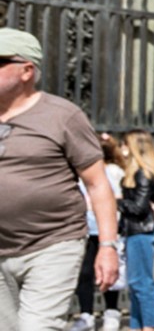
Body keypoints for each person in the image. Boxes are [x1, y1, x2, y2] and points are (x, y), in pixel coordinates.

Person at [0, 28, 120, 331]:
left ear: (27, 70)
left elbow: (98, 184)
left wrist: (107, 246)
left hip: (53, 243)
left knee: (36, 327)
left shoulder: (62, 116)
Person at [72, 136, 126, 331]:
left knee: (108, 271)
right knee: (85, 272)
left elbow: (118, 196)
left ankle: (112, 311)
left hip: (107, 226)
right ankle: (86, 314)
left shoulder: (113, 171)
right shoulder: (79, 171)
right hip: (85, 226)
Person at [116, 131, 154, 331]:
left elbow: (139, 207)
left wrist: (116, 201)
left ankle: (150, 326)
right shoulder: (136, 173)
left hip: (142, 231)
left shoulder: (143, 174)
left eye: (125, 145)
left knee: (142, 282)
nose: (122, 149)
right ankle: (138, 325)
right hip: (135, 231)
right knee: (136, 283)